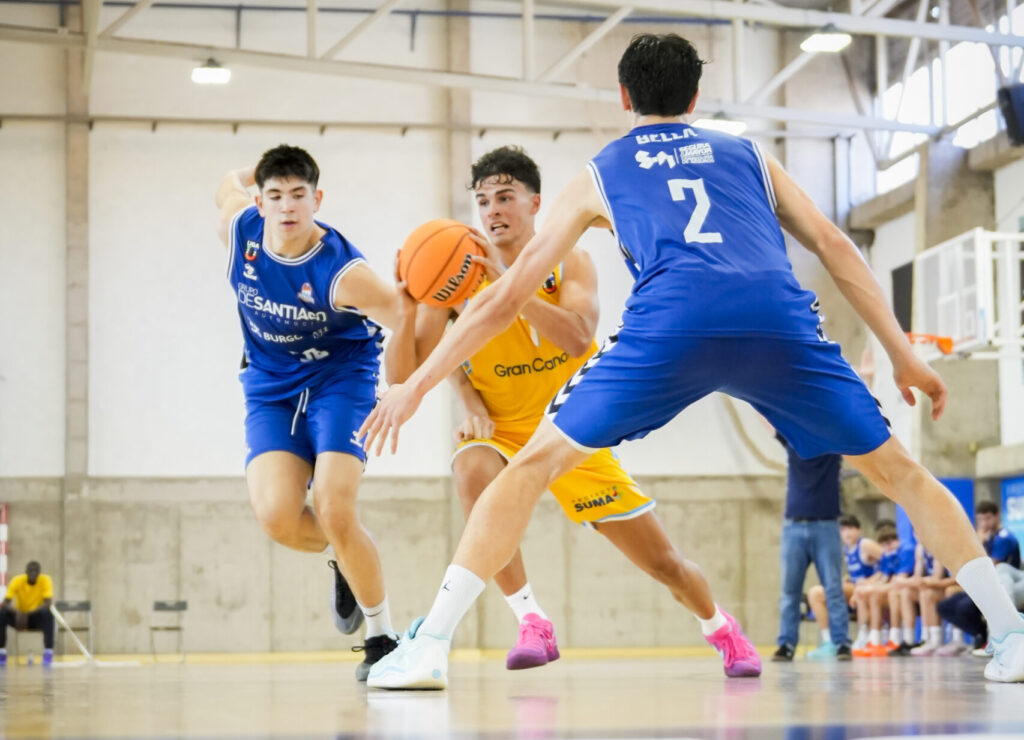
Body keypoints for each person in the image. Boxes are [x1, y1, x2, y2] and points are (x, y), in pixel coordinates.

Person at [360, 33, 1024, 688]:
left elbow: (505, 295)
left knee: (529, 466)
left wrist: (417, 385)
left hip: (670, 325)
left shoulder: (602, 170)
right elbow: (831, 245)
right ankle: (1013, 635)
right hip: (777, 321)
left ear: (624, 96)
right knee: (902, 474)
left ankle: (432, 645)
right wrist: (901, 352)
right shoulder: (749, 154)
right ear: (696, 95)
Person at [387, 145, 759, 676]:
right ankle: (531, 619)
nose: (493, 209)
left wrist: (507, 286)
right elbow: (403, 375)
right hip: (504, 430)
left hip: (572, 431)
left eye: (505, 196)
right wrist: (405, 311)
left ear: (535, 203)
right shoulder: (457, 278)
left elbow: (578, 337)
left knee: (665, 564)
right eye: (483, 199)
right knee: (471, 469)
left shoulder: (569, 262)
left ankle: (719, 626)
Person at [215, 145, 407, 680]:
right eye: (274, 195)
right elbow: (224, 186)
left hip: (340, 379)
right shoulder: (239, 231)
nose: (286, 206)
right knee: (277, 517)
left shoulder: (346, 273)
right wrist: (252, 171)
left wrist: (406, 385)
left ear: (316, 199)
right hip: (270, 385)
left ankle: (381, 638)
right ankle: (348, 558)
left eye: (298, 194)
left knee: (334, 505)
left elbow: (409, 318)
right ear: (260, 200)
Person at [770, 437, 850, 662]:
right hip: (793, 525)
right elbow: (769, 415)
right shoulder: (794, 441)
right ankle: (786, 644)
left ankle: (842, 642)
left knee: (833, 588)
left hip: (826, 525)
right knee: (789, 592)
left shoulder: (833, 444)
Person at [937, 500, 1022, 656]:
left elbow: (986, 566)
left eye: (988, 518)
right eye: (981, 519)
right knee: (945, 606)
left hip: (1003, 585)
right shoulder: (988, 537)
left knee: (964, 607)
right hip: (983, 586)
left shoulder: (1004, 537)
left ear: (997, 516)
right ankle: (981, 635)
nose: (984, 523)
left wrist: (979, 542)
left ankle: (995, 638)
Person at [805, 514, 882, 656]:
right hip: (857, 587)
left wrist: (870, 581)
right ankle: (829, 642)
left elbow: (891, 565)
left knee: (861, 593)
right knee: (816, 593)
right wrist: (848, 579)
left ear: (859, 530)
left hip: (874, 588)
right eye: (843, 529)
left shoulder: (865, 545)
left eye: (851, 528)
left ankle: (865, 638)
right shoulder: (846, 549)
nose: (847, 533)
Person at [852, 526, 916, 657]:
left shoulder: (906, 550)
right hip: (897, 586)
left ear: (895, 541)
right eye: (883, 546)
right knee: (869, 594)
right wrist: (869, 585)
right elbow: (884, 577)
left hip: (908, 588)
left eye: (888, 544)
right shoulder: (888, 553)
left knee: (882, 594)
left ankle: (895, 637)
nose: (886, 549)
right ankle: (873, 639)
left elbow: (901, 578)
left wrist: (874, 588)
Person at [0, 562, 55, 666]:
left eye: (36, 571)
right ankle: (1, 651)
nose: (33, 573)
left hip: (36, 617)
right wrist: (18, 613)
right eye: (31, 570)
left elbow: (48, 602)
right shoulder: (17, 580)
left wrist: (29, 613)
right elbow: (5, 603)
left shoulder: (45, 580)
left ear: (39, 572)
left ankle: (48, 651)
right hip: (19, 618)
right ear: (26, 572)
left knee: (48, 613)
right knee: (2, 613)